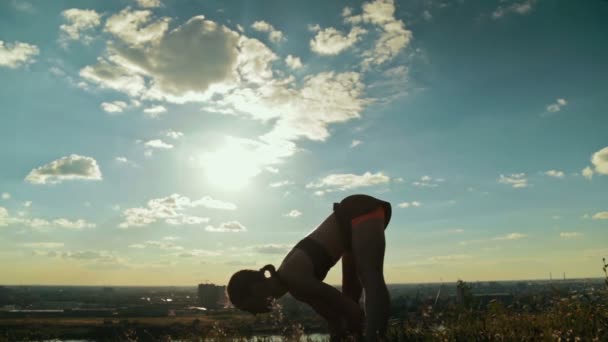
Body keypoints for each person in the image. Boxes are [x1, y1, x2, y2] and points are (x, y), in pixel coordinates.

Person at [227, 194, 392, 341]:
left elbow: (353, 312)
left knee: (370, 276)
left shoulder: (294, 278)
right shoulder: (294, 288)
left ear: (255, 289)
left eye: (248, 307)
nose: (254, 313)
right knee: (351, 295)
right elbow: (334, 319)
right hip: (351, 228)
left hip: (358, 211)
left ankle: (376, 338)